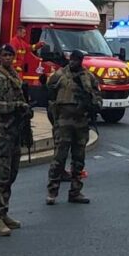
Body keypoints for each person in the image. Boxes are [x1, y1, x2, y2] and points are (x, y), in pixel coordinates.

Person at [46, 50, 101, 205]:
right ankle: (52, 191)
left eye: (76, 60)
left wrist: (95, 105)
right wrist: (54, 118)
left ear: (81, 61)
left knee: (79, 159)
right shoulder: (59, 75)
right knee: (59, 157)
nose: (73, 62)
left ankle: (75, 191)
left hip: (81, 121)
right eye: (71, 59)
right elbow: (49, 94)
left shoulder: (88, 77)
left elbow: (97, 95)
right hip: (63, 121)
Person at [0, 44, 31, 237]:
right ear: (0, 57)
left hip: (16, 131)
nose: (7, 58)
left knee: (12, 173)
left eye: (10, 55)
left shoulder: (14, 75)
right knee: (3, 174)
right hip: (5, 132)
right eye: (4, 55)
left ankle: (4, 212)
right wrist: (16, 106)